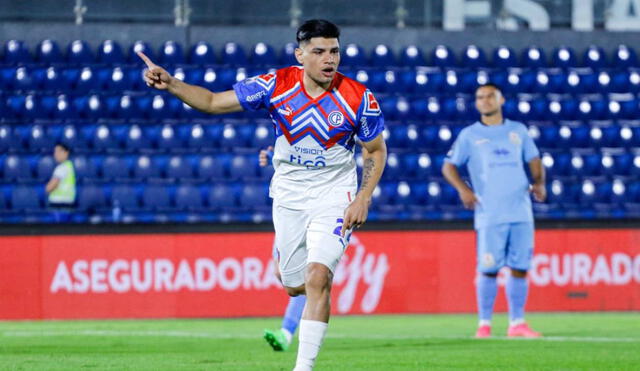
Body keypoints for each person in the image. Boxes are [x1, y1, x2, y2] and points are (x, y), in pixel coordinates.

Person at [139, 19, 387, 370]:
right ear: (300, 55)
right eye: (319, 52)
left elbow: (375, 150)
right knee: (293, 284)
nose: (329, 59)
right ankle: (287, 262)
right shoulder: (275, 85)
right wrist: (172, 84)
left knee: (319, 277)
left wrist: (363, 197)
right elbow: (212, 101)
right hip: (288, 194)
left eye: (334, 51)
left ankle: (303, 367)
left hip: (335, 194)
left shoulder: (359, 98)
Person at [442, 83, 546, 339]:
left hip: (521, 211)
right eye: (480, 97)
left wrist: (539, 182)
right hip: (490, 213)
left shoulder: (518, 131)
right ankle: (484, 325)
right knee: (489, 268)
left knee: (520, 267)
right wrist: (463, 190)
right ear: (476, 103)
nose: (485, 101)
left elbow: (534, 159)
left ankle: (517, 323)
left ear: (501, 99)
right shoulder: (470, 135)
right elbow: (448, 166)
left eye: (490, 96)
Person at [259, 146, 308, 352]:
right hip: (287, 209)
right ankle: (316, 299)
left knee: (306, 278)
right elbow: (290, 161)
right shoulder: (288, 126)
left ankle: (287, 333)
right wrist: (272, 156)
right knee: (281, 273)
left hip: (310, 209)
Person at [45, 143, 76, 222]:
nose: (55, 154)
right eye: (55, 152)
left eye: (59, 152)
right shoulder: (70, 166)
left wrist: (47, 188)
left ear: (66, 153)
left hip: (59, 207)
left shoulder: (61, 168)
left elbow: (50, 187)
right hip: (68, 205)